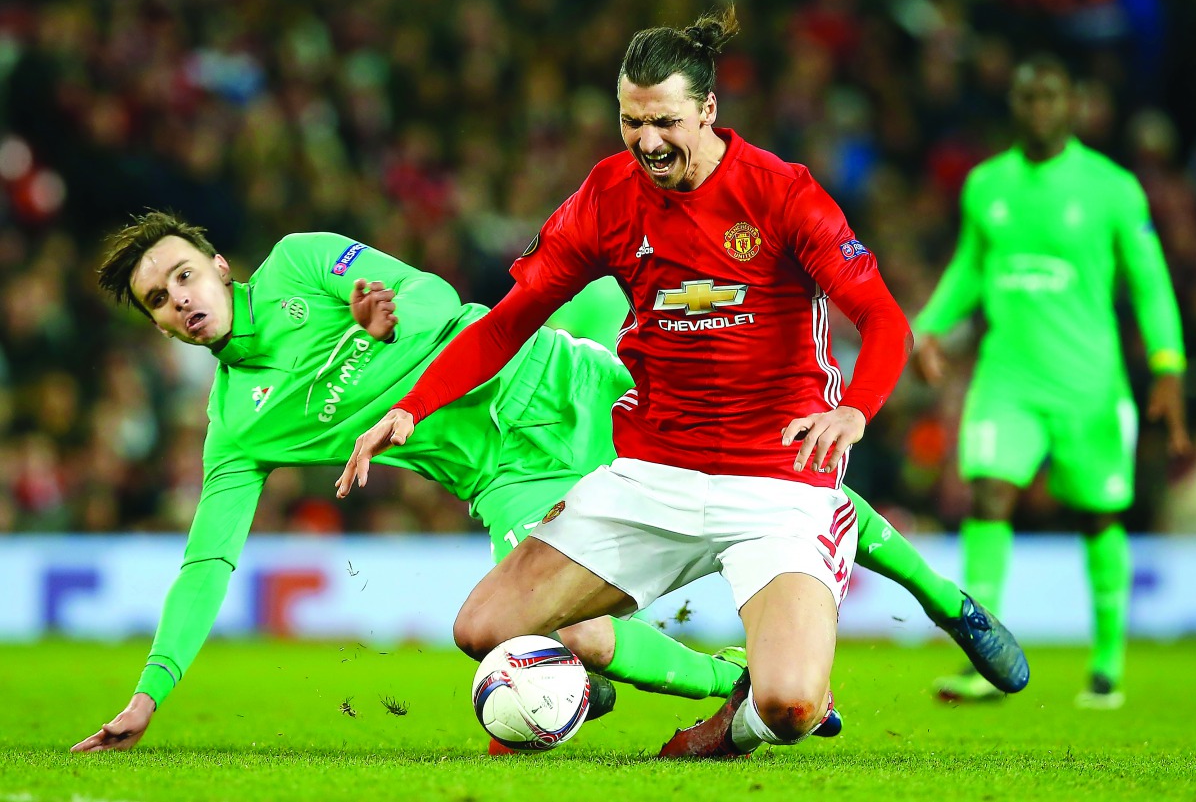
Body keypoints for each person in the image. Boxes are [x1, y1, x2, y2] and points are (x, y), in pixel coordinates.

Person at [72, 211, 1025, 755]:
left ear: (219, 263)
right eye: (160, 300)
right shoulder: (238, 426)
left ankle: (945, 597)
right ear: (155, 326)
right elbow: (210, 558)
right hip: (504, 477)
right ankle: (739, 688)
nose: (182, 300)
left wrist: (389, 311)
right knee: (564, 630)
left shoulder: (300, 263)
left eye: (184, 275)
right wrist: (151, 693)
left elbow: (443, 299)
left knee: (765, 463)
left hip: (556, 377)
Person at [339, 6, 1003, 759]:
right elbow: (506, 323)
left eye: (665, 122)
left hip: (777, 478)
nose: (647, 140)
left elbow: (883, 318)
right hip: (654, 471)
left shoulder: (781, 193)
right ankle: (588, 686)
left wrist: (854, 409)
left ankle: (735, 720)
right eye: (630, 121)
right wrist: (412, 407)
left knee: (790, 704)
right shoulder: (609, 195)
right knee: (483, 629)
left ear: (708, 111)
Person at [913, 54, 1189, 709]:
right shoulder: (987, 185)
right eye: (1026, 96)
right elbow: (970, 270)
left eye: (1050, 95)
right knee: (988, 496)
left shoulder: (1112, 188)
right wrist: (926, 327)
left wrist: (1169, 364)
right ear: (1013, 105)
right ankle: (985, 657)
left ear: (1073, 104)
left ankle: (1106, 663)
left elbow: (1150, 284)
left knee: (1098, 514)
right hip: (1008, 375)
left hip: (1088, 383)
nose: (1038, 106)